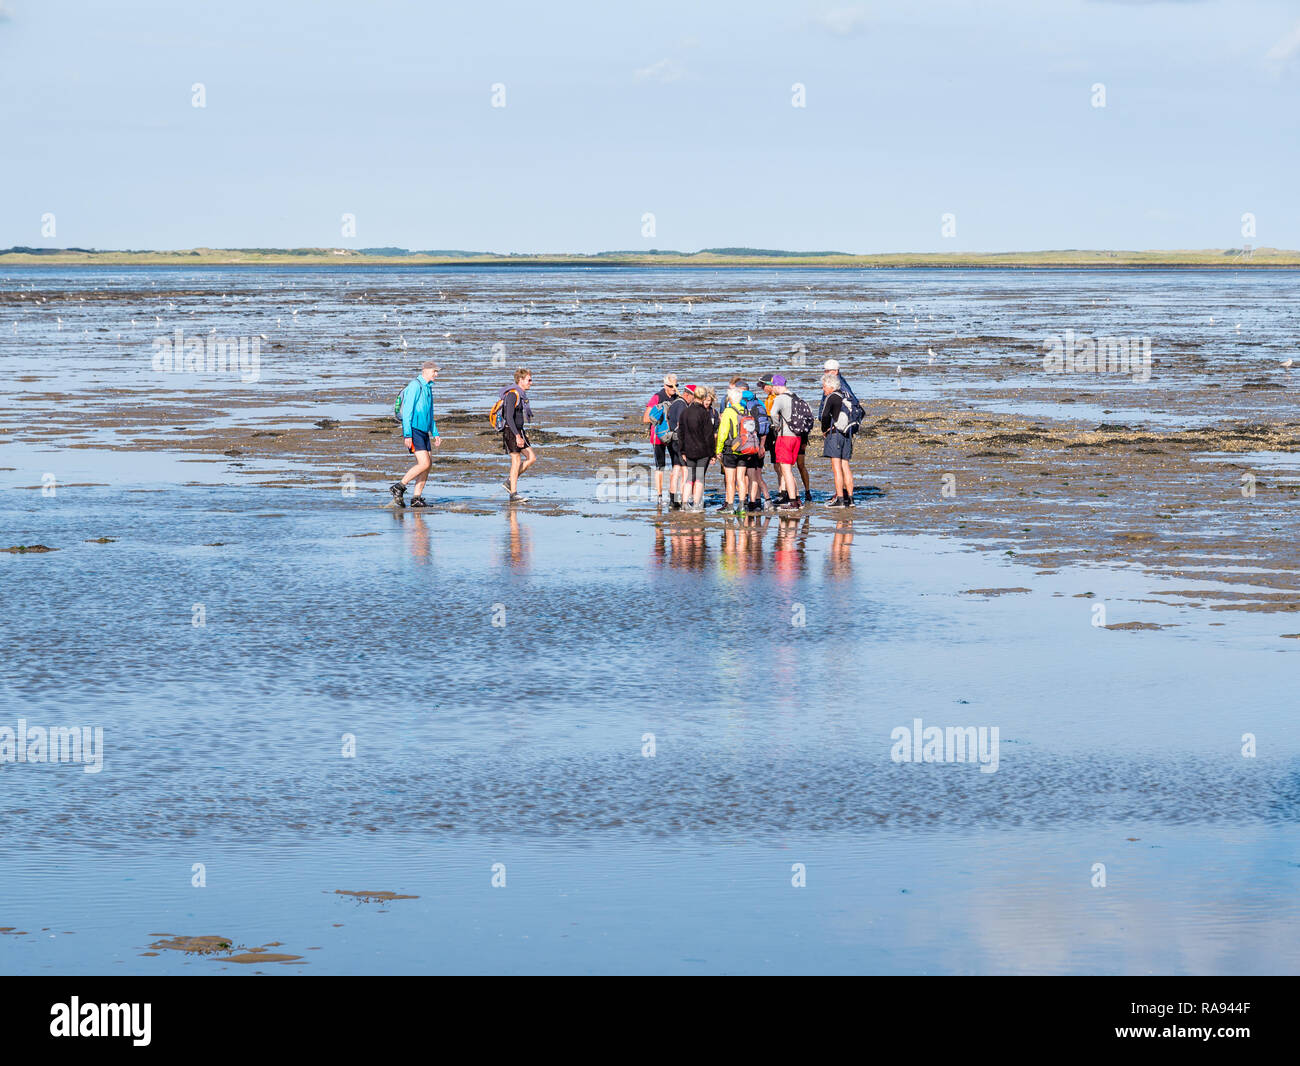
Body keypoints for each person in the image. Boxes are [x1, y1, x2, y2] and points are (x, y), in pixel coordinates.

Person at [389, 360, 442, 508]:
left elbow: (430, 413)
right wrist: (407, 434)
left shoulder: (428, 388)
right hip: (414, 429)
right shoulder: (415, 386)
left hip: (424, 431)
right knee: (424, 463)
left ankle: (416, 498)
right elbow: (407, 412)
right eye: (434, 371)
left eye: (437, 371)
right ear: (425, 371)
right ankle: (399, 487)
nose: (436, 374)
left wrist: (435, 433)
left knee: (428, 465)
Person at [642, 373, 683, 506]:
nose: (673, 388)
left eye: (676, 386)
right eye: (671, 386)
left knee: (676, 466)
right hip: (658, 436)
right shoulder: (657, 397)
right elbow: (646, 418)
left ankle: (674, 494)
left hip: (673, 437)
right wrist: (662, 415)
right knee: (660, 467)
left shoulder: (678, 398)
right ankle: (659, 496)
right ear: (665, 385)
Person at [677, 384, 716, 512]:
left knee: (689, 477)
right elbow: (709, 435)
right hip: (702, 452)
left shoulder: (685, 412)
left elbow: (680, 433)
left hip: (688, 450)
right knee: (699, 478)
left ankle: (684, 503)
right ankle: (696, 504)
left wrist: (682, 450)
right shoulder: (704, 413)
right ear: (703, 397)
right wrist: (713, 453)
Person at [819, 372, 855, 508]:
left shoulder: (832, 396)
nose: (823, 389)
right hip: (848, 433)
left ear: (830, 386)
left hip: (835, 434)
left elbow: (825, 416)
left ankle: (840, 498)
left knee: (836, 468)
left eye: (824, 386)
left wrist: (824, 431)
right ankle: (850, 500)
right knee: (846, 466)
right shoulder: (846, 395)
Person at [500, 368, 535, 502]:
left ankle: (510, 481)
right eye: (529, 380)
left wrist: (520, 434)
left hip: (519, 431)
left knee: (531, 458)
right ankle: (513, 494)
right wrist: (517, 436)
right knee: (516, 461)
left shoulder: (521, 395)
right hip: (511, 431)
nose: (531, 383)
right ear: (520, 380)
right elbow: (508, 417)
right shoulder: (512, 395)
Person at [714, 386, 749, 515]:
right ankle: (742, 505)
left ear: (730, 398)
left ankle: (729, 505)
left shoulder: (728, 412)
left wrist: (718, 450)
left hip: (730, 449)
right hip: (744, 449)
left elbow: (722, 433)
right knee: (741, 479)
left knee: (730, 480)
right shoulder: (745, 411)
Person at [768, 375, 802, 511]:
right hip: (797, 436)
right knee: (789, 468)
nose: (772, 389)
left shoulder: (780, 398)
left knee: (785, 469)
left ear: (777, 386)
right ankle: (797, 498)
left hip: (785, 436)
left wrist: (776, 426)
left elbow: (772, 414)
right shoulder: (795, 396)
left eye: (773, 387)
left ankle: (793, 502)